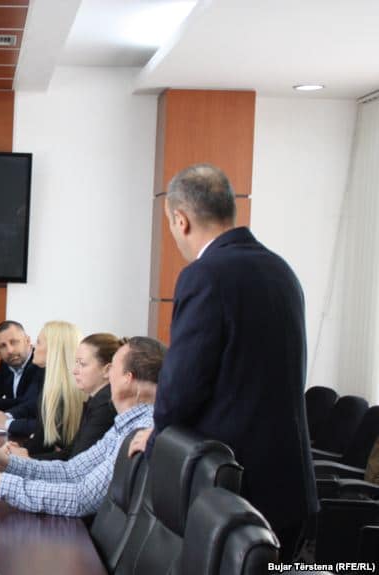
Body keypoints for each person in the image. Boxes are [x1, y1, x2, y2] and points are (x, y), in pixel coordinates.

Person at [128, 163, 317, 559]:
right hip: (289, 485)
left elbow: (181, 389)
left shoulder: (205, 275)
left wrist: (157, 438)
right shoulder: (281, 270)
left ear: (180, 220)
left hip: (232, 487)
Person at [0, 337, 164, 517]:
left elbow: (82, 498)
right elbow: (71, 471)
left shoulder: (139, 431)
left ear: (127, 379)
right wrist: (4, 462)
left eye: (113, 369)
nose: (108, 375)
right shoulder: (126, 424)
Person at [5, 332, 120, 460]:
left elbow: (76, 463)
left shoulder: (105, 406)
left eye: (82, 364)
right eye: (76, 362)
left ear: (107, 370)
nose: (74, 371)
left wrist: (27, 459)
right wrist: (26, 456)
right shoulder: (95, 400)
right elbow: (70, 453)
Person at [0, 321, 81, 439]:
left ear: (54, 350)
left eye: (39, 342)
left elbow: (45, 428)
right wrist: (7, 416)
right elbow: (32, 404)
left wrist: (6, 423)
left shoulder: (64, 388)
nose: (34, 346)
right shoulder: (49, 376)